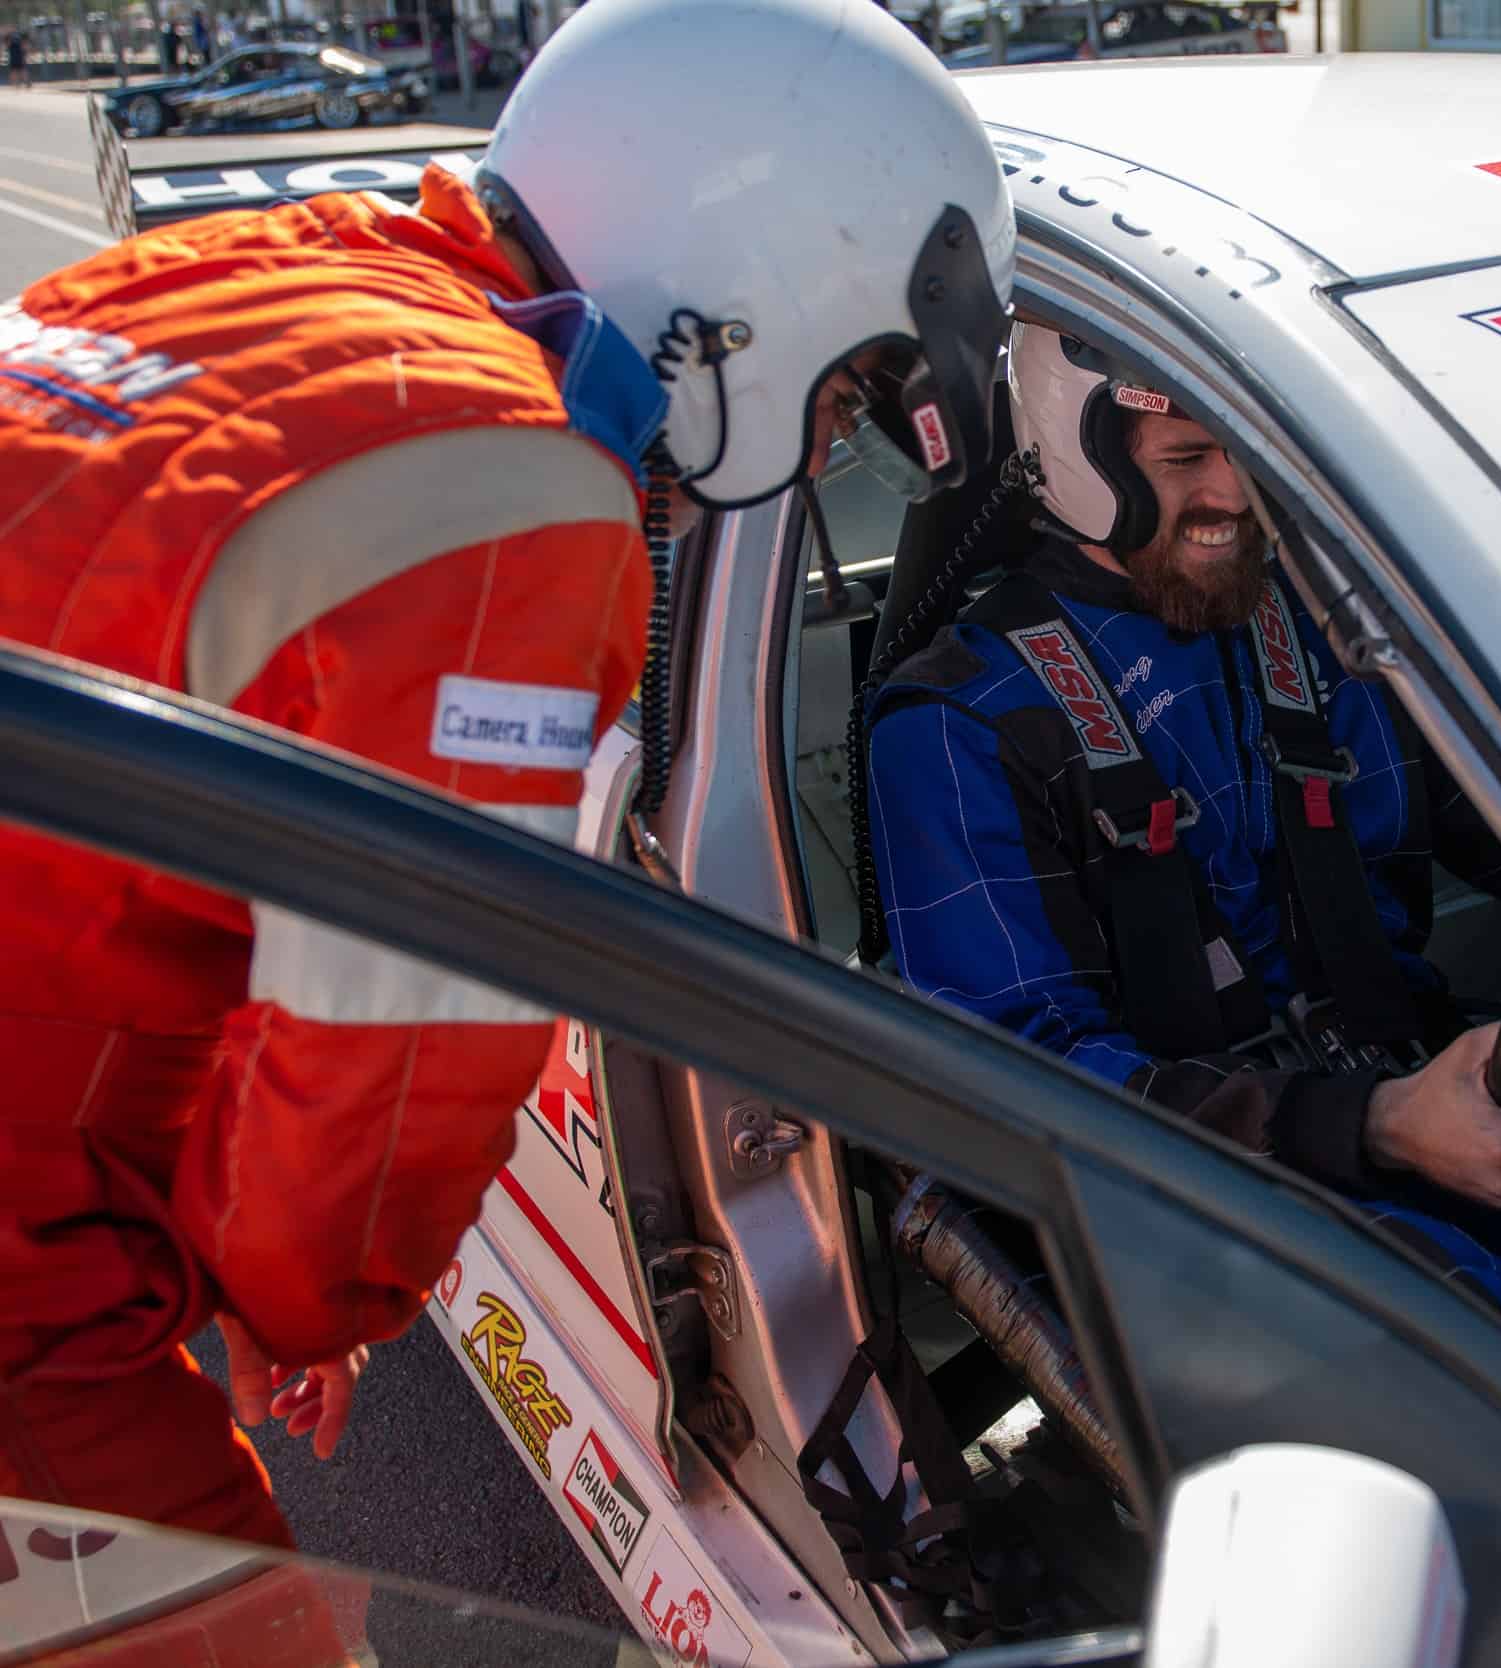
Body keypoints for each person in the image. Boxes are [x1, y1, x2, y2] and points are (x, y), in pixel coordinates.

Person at [0, 0, 1011, 1550]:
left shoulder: (259, 274)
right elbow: (401, 1040)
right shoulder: (512, 493)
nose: (817, 463)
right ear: (768, 287)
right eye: (837, 397)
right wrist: (303, 1295)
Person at [865, 326, 1501, 1400]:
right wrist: (1371, 1130)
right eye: (1186, 461)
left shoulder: (1322, 618)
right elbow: (1007, 1095)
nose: (1235, 492)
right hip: (1206, 1216)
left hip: (1435, 1096)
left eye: (1243, 448)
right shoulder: (960, 722)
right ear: (1082, 468)